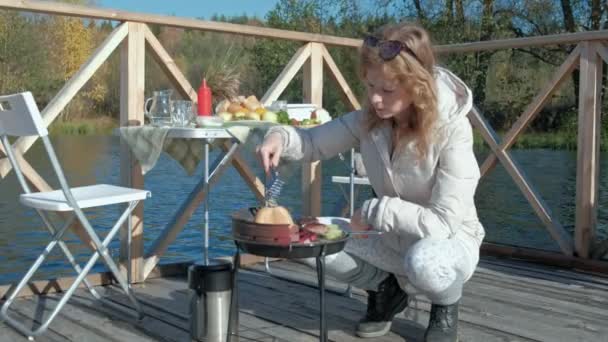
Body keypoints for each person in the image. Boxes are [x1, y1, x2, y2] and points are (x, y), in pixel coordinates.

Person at [257, 22, 485, 342]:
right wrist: (279, 137)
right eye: (370, 86)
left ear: (417, 86)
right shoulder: (370, 120)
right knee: (304, 237)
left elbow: (444, 222)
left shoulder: (453, 130)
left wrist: (381, 210)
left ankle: (445, 305)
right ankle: (386, 290)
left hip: (448, 243)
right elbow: (312, 143)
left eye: (387, 90)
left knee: (424, 261)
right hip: (390, 236)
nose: (375, 99)